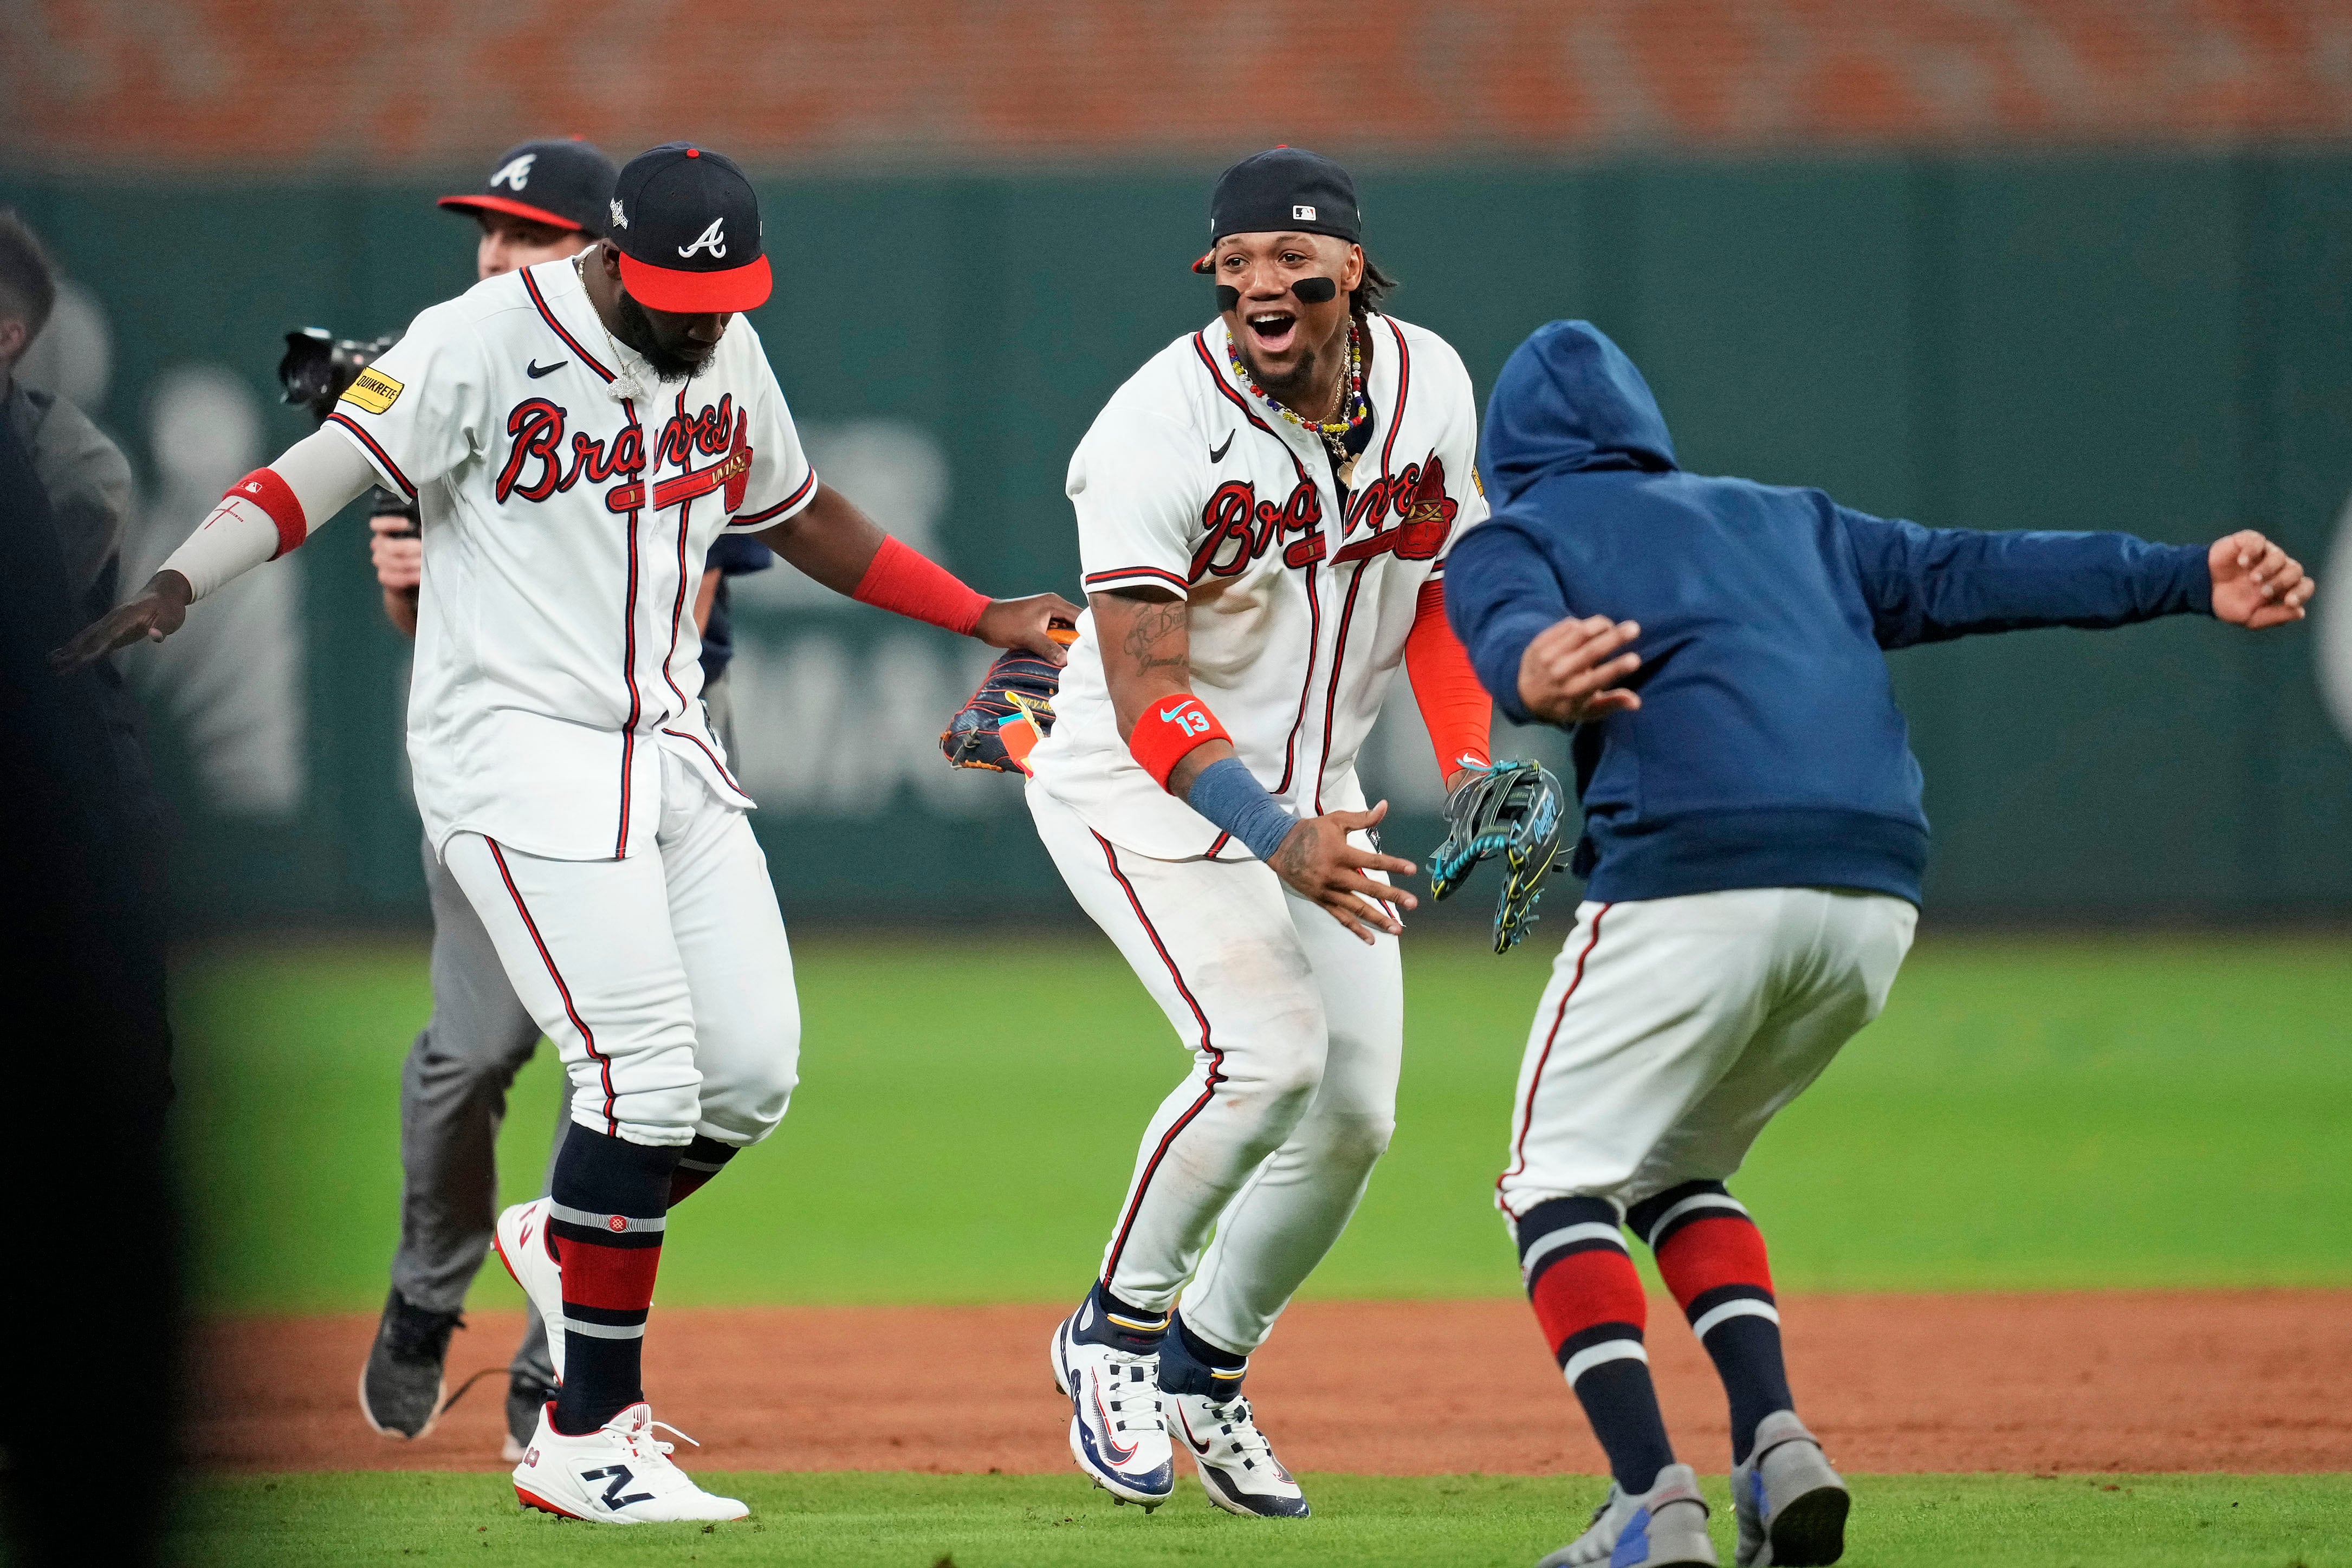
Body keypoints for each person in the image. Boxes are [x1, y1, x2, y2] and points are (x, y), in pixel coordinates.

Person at [58, 141, 1079, 1525]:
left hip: (667, 747)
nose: (702, 317)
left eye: (722, 294)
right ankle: (585, 1436)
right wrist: (185, 579)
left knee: (751, 1074)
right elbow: (318, 469)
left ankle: (557, 1231)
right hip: (516, 759)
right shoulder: (476, 341)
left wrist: (979, 613)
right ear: (605, 255)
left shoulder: (727, 345)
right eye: (674, 292)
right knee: (641, 1079)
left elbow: (801, 509)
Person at [1443, 320, 2316, 1568]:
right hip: (1869, 897)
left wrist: (1528, 668)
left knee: (1552, 1182)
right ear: (1647, 437)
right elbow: (1980, 569)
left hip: (1696, 877)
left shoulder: (1515, 531)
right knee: (1676, 1165)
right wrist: (2185, 574)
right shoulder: (1788, 520)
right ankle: (1774, 1444)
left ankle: (1646, 1499)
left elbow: (1510, 630)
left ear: (1505, 457)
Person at [1022, 147, 1498, 1519]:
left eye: (1291, 261)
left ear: (1350, 268)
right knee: (1266, 1054)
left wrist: (1466, 763)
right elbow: (1146, 690)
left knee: (1354, 1114)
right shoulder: (1153, 432)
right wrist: (1277, 837)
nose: (1261, 286)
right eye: (1235, 265)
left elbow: (1438, 595)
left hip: (1316, 791)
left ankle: (1203, 1364)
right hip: (1141, 793)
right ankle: (1106, 1336)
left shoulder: (1429, 385)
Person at [355, 134, 623, 1463]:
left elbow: (666, 608)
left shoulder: (663, 374)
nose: (496, 256)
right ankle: (426, 1285)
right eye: (491, 232)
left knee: (623, 1075)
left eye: (528, 234)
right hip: (493, 773)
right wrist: (410, 573)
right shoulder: (459, 368)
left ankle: (568, 1351)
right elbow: (446, 643)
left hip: (645, 768)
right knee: (469, 1057)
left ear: (596, 254)